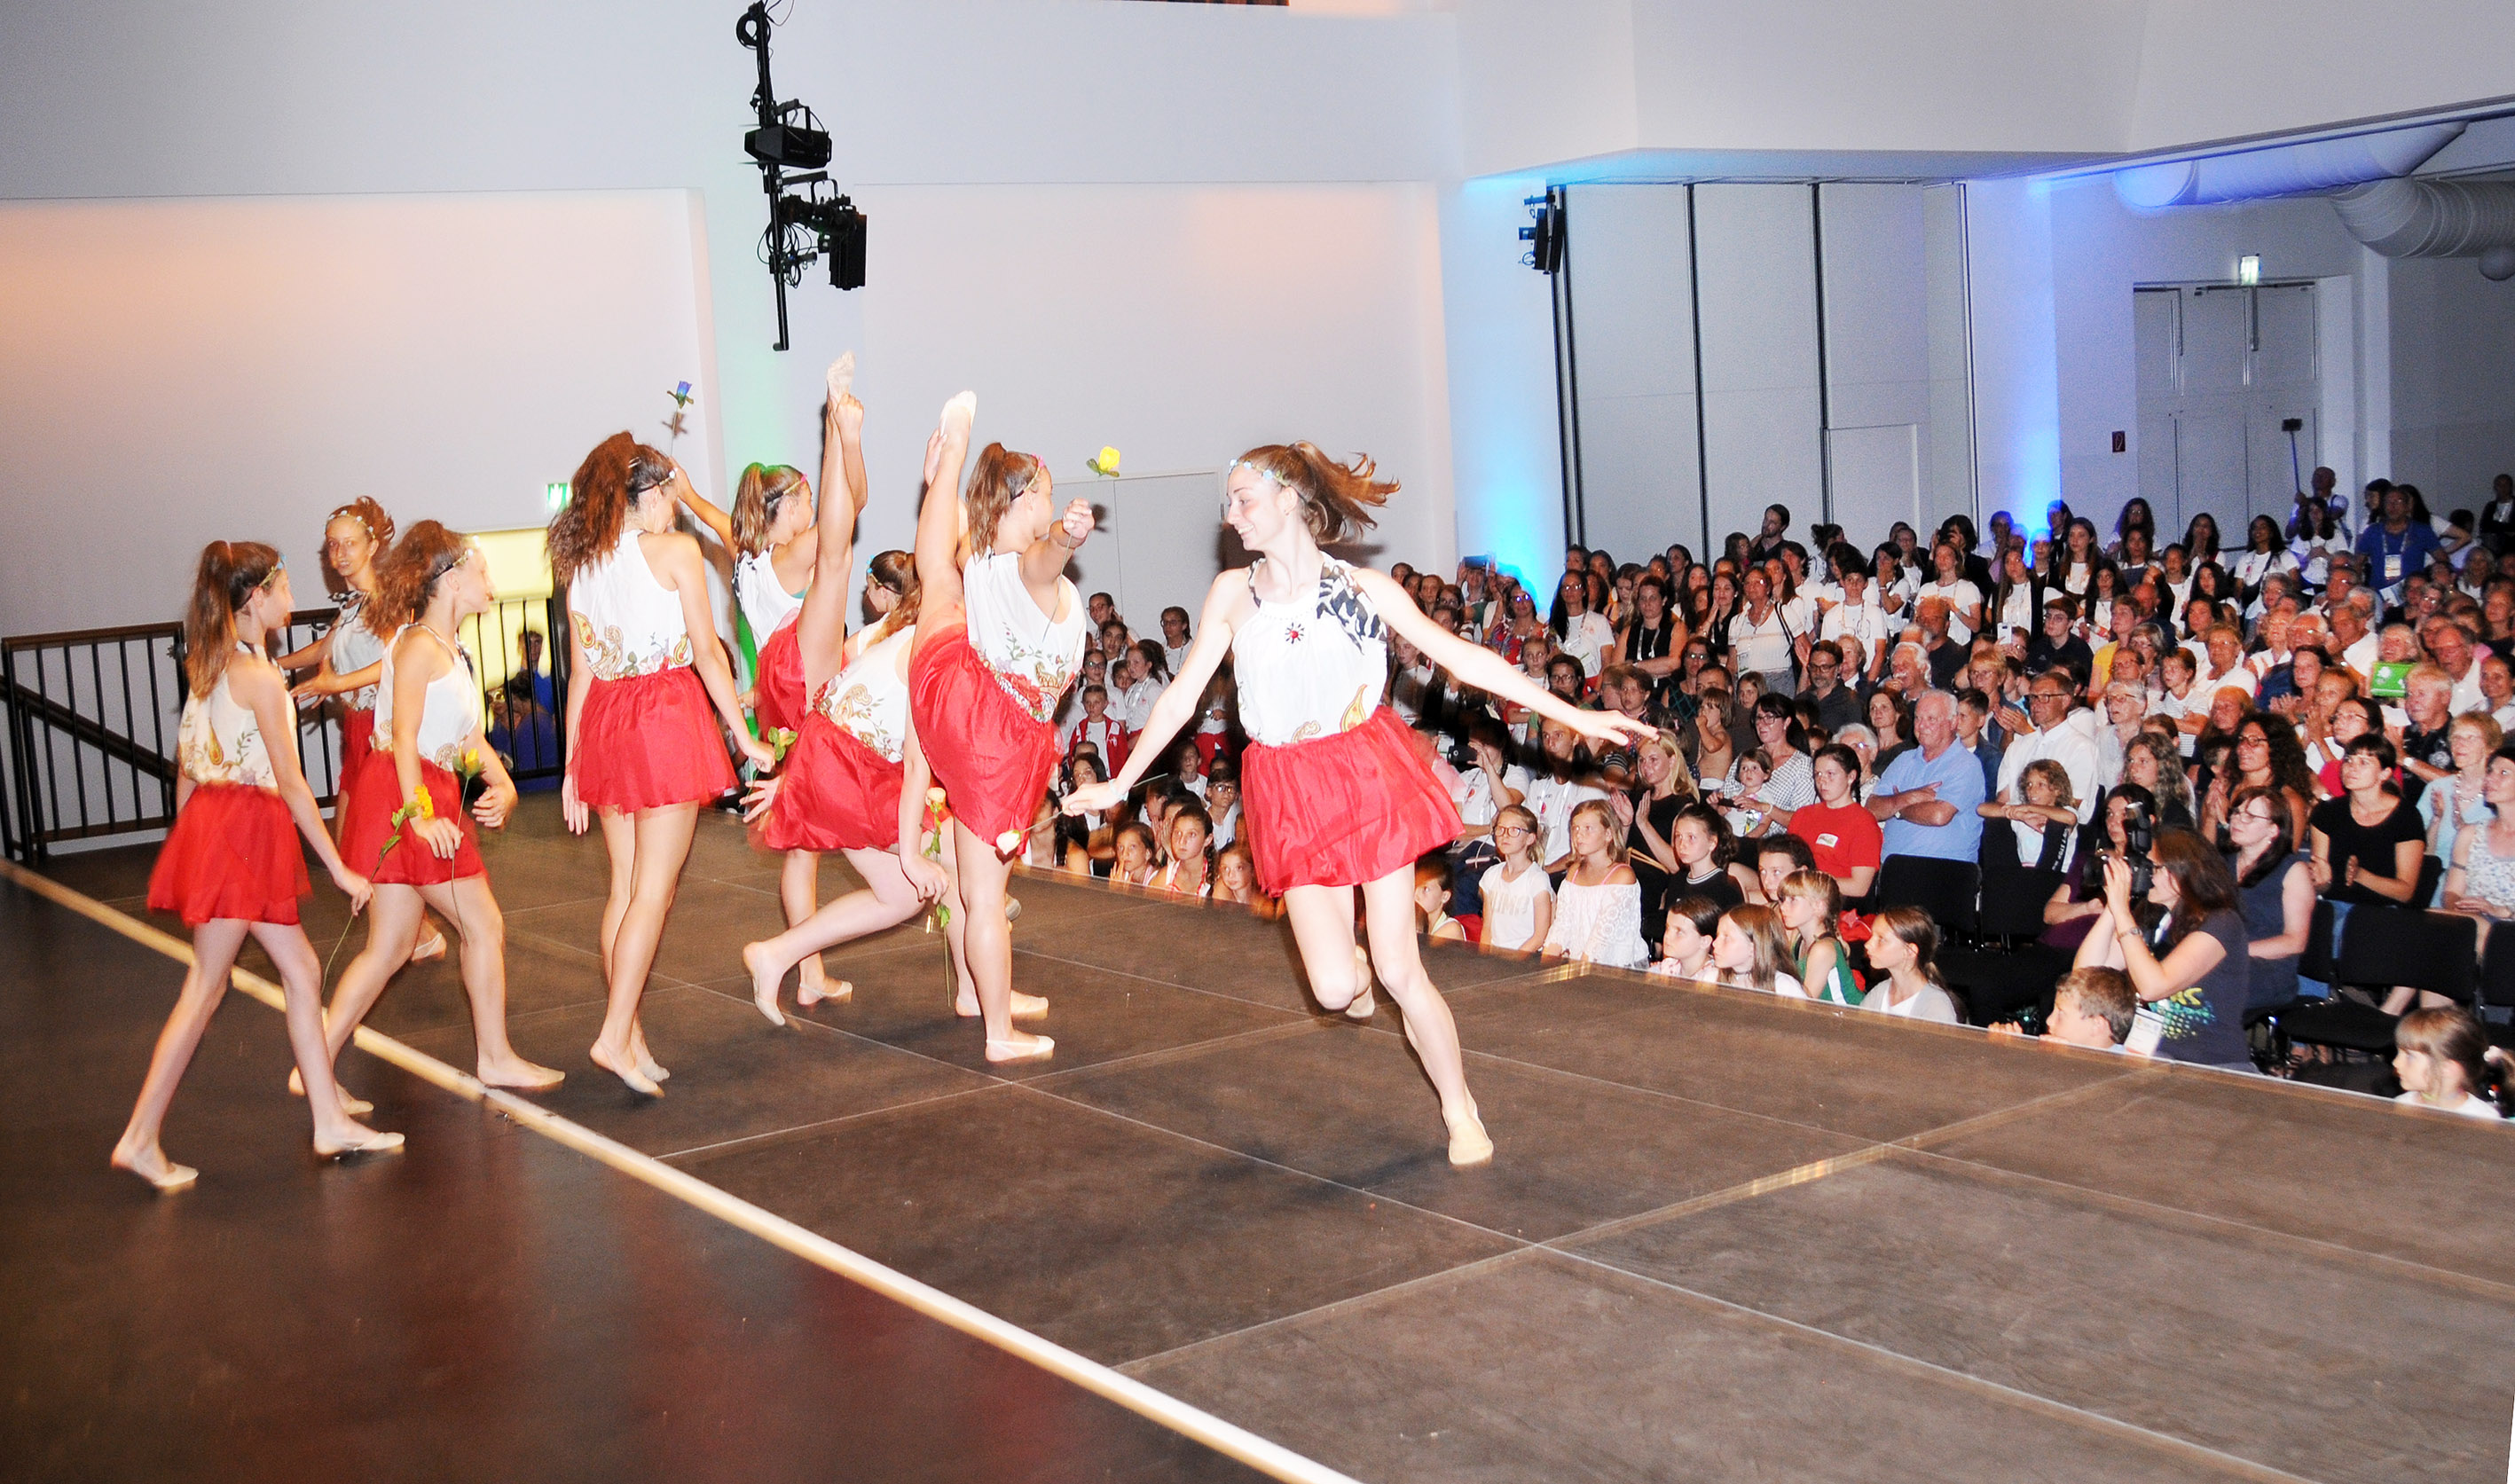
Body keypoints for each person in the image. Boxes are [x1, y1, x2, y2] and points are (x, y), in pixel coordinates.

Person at [1068, 442, 1647, 1167]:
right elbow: (1181, 697)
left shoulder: (1361, 587)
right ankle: (1355, 975)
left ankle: (1459, 1107)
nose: (1231, 514)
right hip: (1287, 786)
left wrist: (1577, 714)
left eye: (1244, 498)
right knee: (1336, 985)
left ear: (1288, 499)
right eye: (1229, 501)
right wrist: (1121, 782)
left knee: (1401, 969)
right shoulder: (1232, 593)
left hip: (1364, 772)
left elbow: (1462, 657)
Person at [116, 542, 388, 1190]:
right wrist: (339, 869)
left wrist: (189, 844)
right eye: (284, 588)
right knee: (206, 987)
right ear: (257, 598)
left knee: (300, 969)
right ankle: (140, 1136)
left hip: (224, 829)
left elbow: (188, 766)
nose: (293, 598)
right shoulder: (255, 677)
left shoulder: (215, 664)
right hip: (241, 832)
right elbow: (292, 784)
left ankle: (328, 1118)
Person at [554, 433, 775, 1094]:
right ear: (647, 494)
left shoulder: (583, 567)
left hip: (606, 721)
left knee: (627, 890)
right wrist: (745, 738)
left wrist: (571, 765)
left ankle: (630, 1039)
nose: (675, 506)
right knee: (652, 891)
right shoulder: (675, 551)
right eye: (671, 492)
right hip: (662, 717)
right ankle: (613, 1034)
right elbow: (708, 653)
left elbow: (581, 674)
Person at [314, 522, 565, 1103]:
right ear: (451, 579)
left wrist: (502, 782)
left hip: (414, 790)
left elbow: (466, 736)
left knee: (390, 947)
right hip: (407, 793)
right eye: (482, 570)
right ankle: (494, 1057)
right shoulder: (419, 645)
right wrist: (419, 815)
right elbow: (403, 735)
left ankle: (315, 1061)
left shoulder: (446, 648)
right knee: (484, 925)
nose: (491, 582)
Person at [897, 397, 1096, 1063]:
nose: (1053, 501)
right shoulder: (1023, 566)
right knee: (985, 895)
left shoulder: (977, 553)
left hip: (976, 707)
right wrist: (1068, 535)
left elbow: (939, 551)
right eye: (1048, 493)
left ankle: (982, 994)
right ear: (1027, 499)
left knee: (978, 882)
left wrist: (938, 481)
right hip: (994, 732)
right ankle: (998, 1032)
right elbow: (1046, 559)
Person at [274, 498, 447, 967]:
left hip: (381, 732)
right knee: (353, 847)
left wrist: (335, 684)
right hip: (356, 731)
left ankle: (416, 932)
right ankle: (418, 933)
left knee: (371, 844)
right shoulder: (353, 605)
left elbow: (394, 661)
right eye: (333, 546)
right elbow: (323, 650)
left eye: (349, 544)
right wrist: (272, 665)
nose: (340, 554)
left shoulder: (384, 599)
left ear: (372, 546)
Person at [2071, 828, 2253, 1069]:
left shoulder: (2222, 923)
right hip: (2153, 1057)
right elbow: (2086, 973)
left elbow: (2153, 987)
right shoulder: (2151, 918)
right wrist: (2114, 907)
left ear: (2178, 874)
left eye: (2152, 868)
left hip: (2211, 1064)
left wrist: (2122, 912)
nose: (2145, 875)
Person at [1867, 689, 1987, 863]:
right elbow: (1872, 808)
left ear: (1953, 722)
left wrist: (1897, 809)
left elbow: (1939, 816)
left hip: (1942, 869)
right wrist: (1910, 797)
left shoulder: (1966, 765)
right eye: (1918, 718)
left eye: (1931, 719)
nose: (1922, 726)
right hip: (1893, 867)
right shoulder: (1904, 760)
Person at [2310, 734, 2425, 909]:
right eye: (2348, 760)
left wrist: (2360, 875)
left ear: (2384, 774)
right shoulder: (2327, 811)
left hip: (2381, 911)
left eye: (2364, 762)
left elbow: (2406, 892)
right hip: (2332, 904)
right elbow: (2322, 885)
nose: (2352, 768)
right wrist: (2321, 882)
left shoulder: (2406, 816)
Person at [2227, 785, 2315, 1009]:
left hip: (2267, 968)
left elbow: (2295, 941)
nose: (2237, 820)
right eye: (2237, 812)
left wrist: (2232, 951)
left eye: (2250, 816)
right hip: (2223, 956)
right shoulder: (2223, 862)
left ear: (2273, 830)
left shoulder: (2293, 871)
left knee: (2206, 984)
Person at [1542, 798, 1648, 967]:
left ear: (1608, 834)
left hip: (1617, 967)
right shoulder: (1574, 872)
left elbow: (1601, 941)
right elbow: (1562, 926)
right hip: (1582, 963)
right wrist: (1544, 964)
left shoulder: (1622, 876)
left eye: (1588, 828)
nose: (1579, 835)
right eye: (1575, 828)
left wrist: (1578, 972)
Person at [1788, 743, 1882, 899]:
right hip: (1795, 891)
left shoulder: (1863, 823)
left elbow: (1859, 887)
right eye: (1818, 774)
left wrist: (1808, 882)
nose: (1822, 781)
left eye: (1830, 774)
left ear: (1851, 777)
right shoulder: (1803, 814)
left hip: (1830, 898)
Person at [2391, 1009, 2511, 1121]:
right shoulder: (2400, 1106)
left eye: (2410, 1056)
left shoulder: (2482, 1120)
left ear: (2446, 1068)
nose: (2396, 1062)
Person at [1858, 907, 1961, 1023]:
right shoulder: (1879, 993)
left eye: (1881, 939)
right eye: (1872, 936)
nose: (1868, 944)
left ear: (1909, 951)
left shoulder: (1935, 1006)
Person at [1477, 803, 1553, 953]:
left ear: (1530, 838)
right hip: (1495, 957)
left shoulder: (1537, 879)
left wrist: (1513, 960)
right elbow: (1487, 927)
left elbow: (1539, 936)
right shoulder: (1491, 875)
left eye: (1514, 830)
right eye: (1501, 829)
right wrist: (1484, 958)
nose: (1505, 835)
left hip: (1525, 958)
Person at [1776, 870, 1859, 1005]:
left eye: (1793, 900)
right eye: (1783, 900)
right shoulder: (1797, 938)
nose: (1783, 907)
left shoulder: (1823, 950)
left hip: (1848, 1015)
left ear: (1819, 906)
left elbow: (1805, 1003)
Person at [1708, 904, 1802, 996]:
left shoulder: (1784, 988)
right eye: (1718, 935)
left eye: (1726, 938)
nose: (1715, 943)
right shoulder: (1710, 979)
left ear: (1753, 948)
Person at [1648, 895, 1723, 981]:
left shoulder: (1715, 979)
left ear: (1704, 941)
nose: (1668, 936)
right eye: (1667, 928)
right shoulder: (1665, 969)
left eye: (1679, 932)